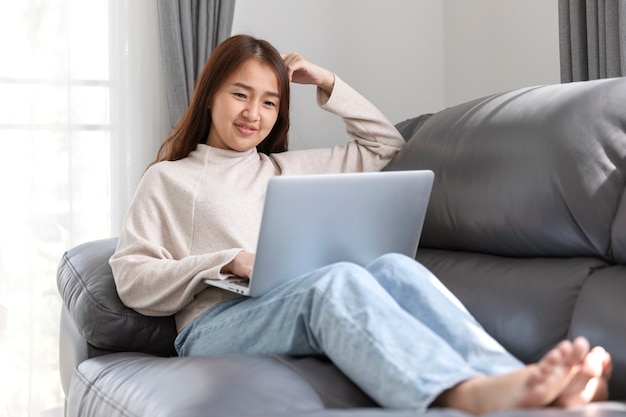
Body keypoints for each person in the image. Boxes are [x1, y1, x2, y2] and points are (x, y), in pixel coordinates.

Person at [110, 34, 612, 415]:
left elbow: (386, 148)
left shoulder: (285, 169)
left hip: (284, 300)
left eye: (269, 101)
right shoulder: (168, 179)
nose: (253, 114)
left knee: (394, 267)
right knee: (336, 281)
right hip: (211, 327)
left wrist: (328, 83)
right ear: (211, 94)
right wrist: (225, 260)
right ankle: (466, 394)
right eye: (241, 95)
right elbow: (132, 277)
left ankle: (525, 383)